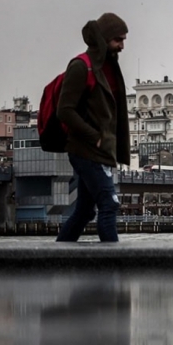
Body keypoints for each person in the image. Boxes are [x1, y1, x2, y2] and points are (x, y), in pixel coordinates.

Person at [56, 13, 130, 242]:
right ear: (105, 38)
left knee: (85, 211)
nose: (122, 46)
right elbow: (64, 110)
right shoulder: (81, 67)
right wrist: (95, 137)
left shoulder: (108, 67)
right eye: (118, 39)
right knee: (109, 204)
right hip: (87, 150)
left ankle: (56, 257)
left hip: (101, 151)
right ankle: (113, 265)